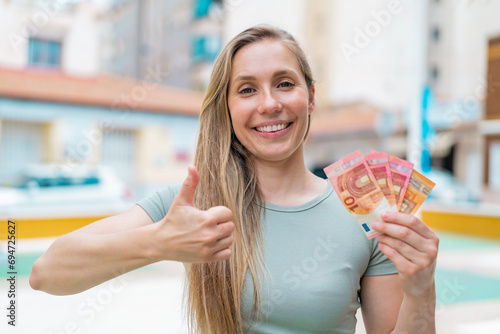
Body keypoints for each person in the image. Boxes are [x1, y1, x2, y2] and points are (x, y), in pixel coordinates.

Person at [30, 25, 439, 334]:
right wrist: (158, 242)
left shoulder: (368, 215)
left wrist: (421, 290)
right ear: (226, 108)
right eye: (246, 90)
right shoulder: (193, 207)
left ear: (310, 96)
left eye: (284, 83)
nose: (269, 104)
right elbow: (45, 273)